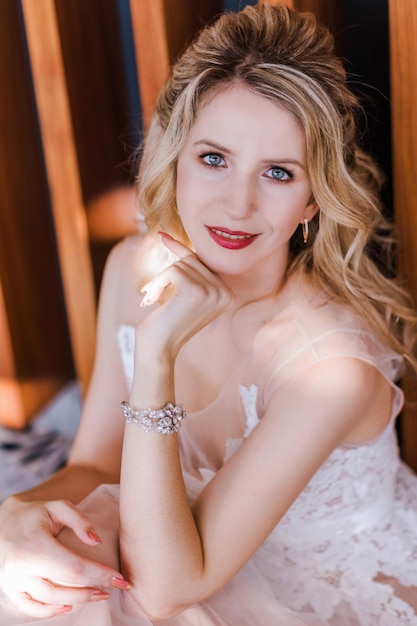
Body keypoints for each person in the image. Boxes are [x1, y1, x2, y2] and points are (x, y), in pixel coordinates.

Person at [1, 3, 417, 625]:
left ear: (312, 202)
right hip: (167, 542)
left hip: (312, 593)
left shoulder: (330, 366)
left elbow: (169, 587)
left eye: (278, 173)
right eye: (214, 159)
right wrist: (12, 515)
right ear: (177, 155)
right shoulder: (132, 268)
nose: (237, 204)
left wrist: (158, 353)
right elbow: (94, 464)